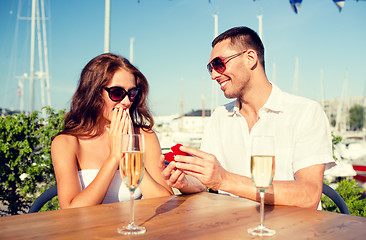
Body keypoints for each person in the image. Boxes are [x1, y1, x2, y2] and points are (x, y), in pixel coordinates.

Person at [161, 26, 335, 209]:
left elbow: (308, 195)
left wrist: (225, 180)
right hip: (232, 229)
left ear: (250, 58)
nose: (213, 75)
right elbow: (204, 182)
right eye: (210, 68)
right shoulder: (219, 117)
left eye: (218, 64)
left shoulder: (306, 112)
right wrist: (185, 182)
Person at [52, 53, 172, 209]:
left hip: (133, 228)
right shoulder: (67, 143)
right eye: (117, 93)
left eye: (132, 93)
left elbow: (166, 201)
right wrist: (115, 156)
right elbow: (70, 210)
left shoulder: (144, 136)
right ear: (93, 93)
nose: (127, 101)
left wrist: (129, 159)